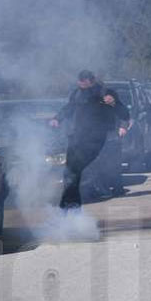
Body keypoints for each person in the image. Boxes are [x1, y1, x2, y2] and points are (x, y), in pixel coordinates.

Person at [51, 70, 118, 211]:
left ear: (90, 81)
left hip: (94, 139)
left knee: (75, 172)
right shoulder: (77, 94)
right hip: (77, 137)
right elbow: (69, 107)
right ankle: (71, 206)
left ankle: (70, 206)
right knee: (70, 173)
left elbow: (113, 110)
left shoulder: (101, 94)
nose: (79, 83)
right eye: (79, 81)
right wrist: (57, 118)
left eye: (83, 81)